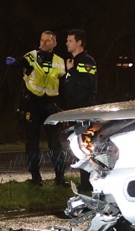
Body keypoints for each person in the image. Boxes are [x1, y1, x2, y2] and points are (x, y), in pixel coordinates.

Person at [18, 29, 66, 185]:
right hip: (32, 104)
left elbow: (63, 82)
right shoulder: (31, 55)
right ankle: (35, 178)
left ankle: (60, 177)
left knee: (56, 143)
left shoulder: (59, 60)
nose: (44, 43)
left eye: (48, 40)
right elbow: (23, 62)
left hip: (51, 105)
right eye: (42, 40)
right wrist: (16, 62)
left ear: (55, 43)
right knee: (32, 143)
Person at [57, 28, 100, 192]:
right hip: (74, 112)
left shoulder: (87, 61)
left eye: (70, 40)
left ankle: (88, 184)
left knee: (85, 147)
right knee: (78, 147)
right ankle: (85, 183)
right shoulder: (72, 62)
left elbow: (88, 84)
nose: (66, 43)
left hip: (85, 112)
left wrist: (72, 71)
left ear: (79, 42)